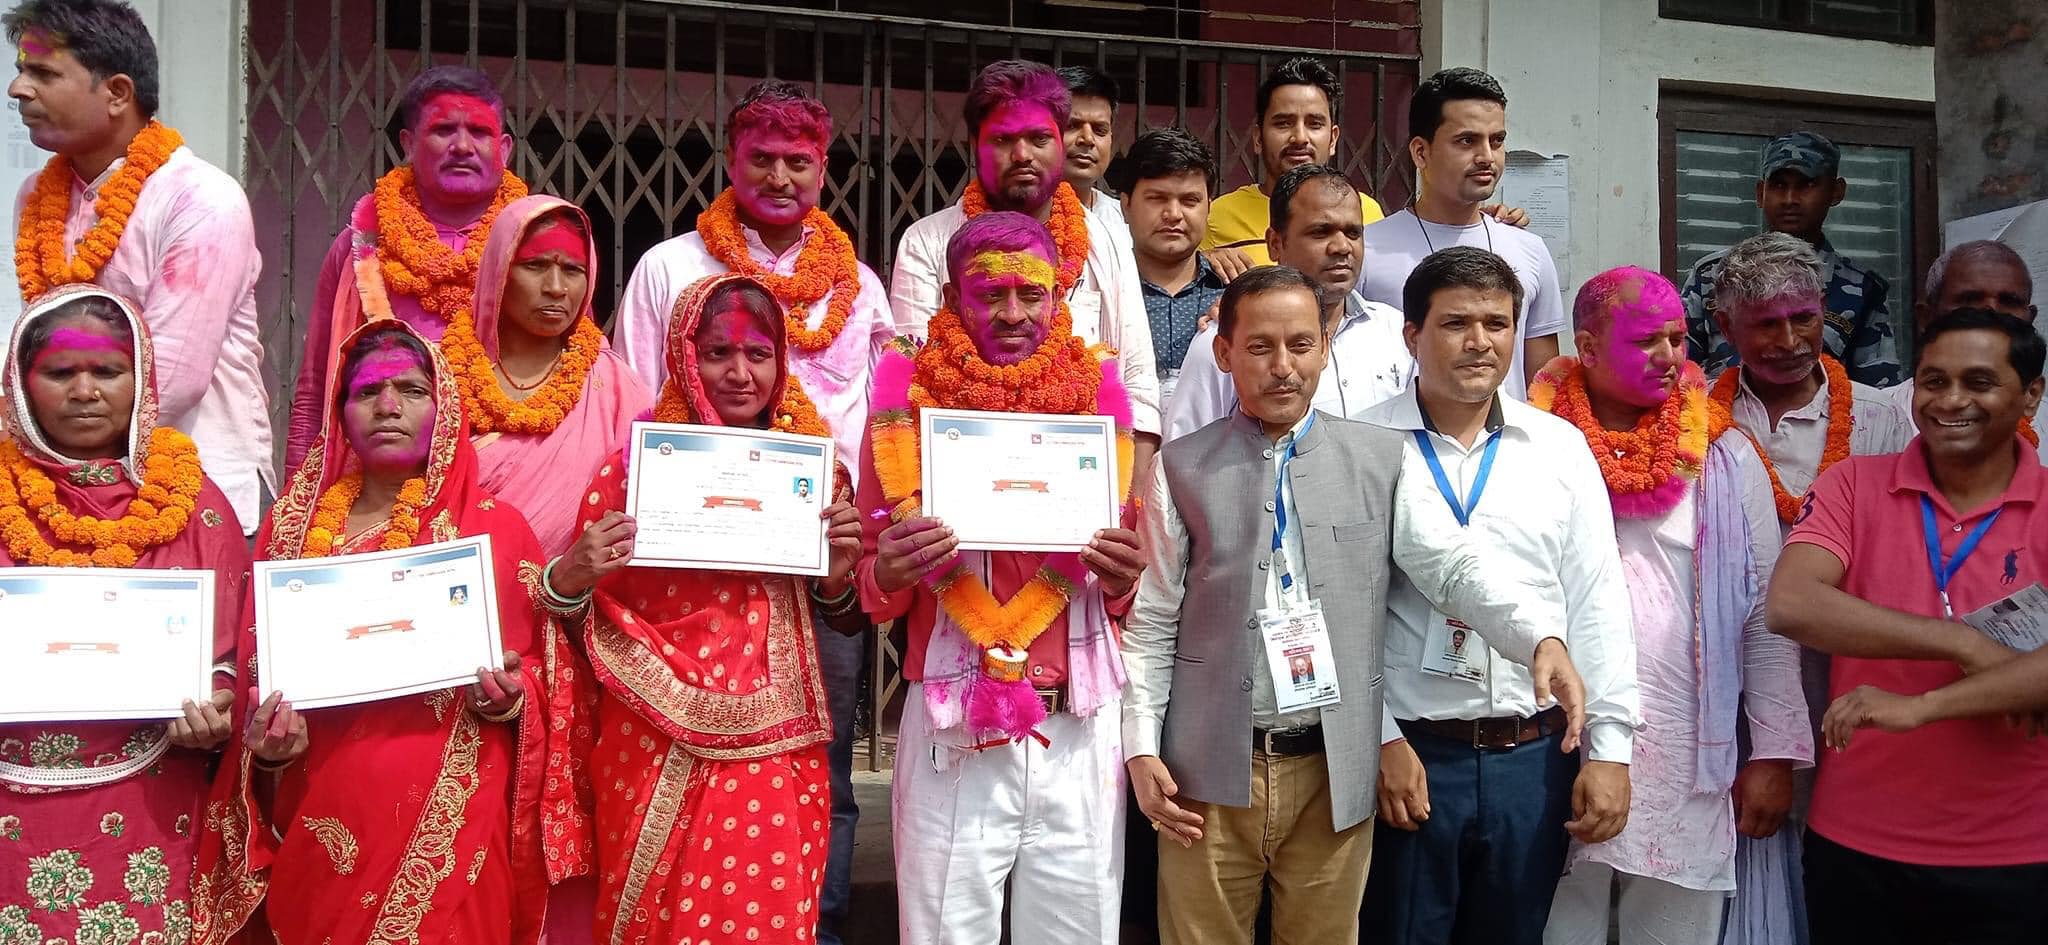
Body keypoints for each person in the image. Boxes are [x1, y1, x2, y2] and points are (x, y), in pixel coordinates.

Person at [1124, 265, 1588, 945]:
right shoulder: (1183, 465)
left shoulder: (1379, 458)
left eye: (1300, 345)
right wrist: (1141, 747)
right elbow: (1153, 621)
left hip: (1332, 774)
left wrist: (1537, 639)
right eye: (1259, 347)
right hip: (1206, 772)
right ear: (1224, 353)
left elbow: (1451, 567)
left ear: (1325, 349)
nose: (1283, 367)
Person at [608, 79, 885, 945]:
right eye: (761, 157)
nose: (779, 175)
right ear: (730, 160)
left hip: (813, 561)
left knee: (822, 766)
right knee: (672, 760)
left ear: (824, 170)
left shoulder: (860, 286)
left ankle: (813, 928)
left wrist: (850, 541)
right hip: (683, 566)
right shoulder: (669, 268)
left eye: (798, 161)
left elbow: (880, 419)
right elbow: (635, 408)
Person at [190, 320, 569, 945]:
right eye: (367, 391)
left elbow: (549, 675)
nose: (388, 406)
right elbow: (258, 679)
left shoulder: (495, 531)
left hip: (454, 821)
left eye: (412, 391)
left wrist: (510, 698)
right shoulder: (291, 532)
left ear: (445, 408)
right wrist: (271, 748)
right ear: (340, 413)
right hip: (323, 810)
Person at [556, 272, 866, 944]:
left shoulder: (817, 476)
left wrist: (837, 581)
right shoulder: (629, 472)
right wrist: (571, 575)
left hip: (774, 740)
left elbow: (842, 615)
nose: (740, 374)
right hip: (649, 730)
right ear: (683, 355)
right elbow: (580, 616)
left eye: (759, 354)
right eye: (718, 352)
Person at [862, 212, 1146, 945]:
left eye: (1031, 293)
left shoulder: (1100, 397)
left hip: (1078, 725)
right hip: (954, 725)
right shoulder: (906, 402)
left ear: (1060, 296)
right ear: (952, 298)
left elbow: (1127, 583)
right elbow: (871, 582)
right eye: (990, 294)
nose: (1013, 313)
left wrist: (1122, 581)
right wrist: (889, 569)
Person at [1356, 247, 1639, 945]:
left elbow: (1596, 598)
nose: (1480, 342)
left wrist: (1608, 750)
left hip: (1531, 760)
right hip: (1412, 756)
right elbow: (1336, 613)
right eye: (1456, 323)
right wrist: (1378, 739)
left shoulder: (1558, 447)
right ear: (1412, 334)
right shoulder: (1359, 443)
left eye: (1497, 323)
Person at [1527, 267, 1811, 945]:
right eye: (1645, 340)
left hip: (1688, 756)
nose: (1668, 356)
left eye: (1678, 339)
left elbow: (1764, 615)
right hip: (1551, 742)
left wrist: (1772, 752)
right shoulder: (1531, 446)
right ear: (1587, 348)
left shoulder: (1725, 455)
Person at [1768, 308, 2048, 944]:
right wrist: (1963, 643)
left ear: (2031, 394)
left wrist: (1920, 708)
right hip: (1858, 845)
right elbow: (1792, 602)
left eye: (1979, 382)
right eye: (1934, 381)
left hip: (2020, 851)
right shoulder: (1854, 484)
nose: (1951, 400)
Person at [0, 286, 249, 944]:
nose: (85, 392)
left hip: (148, 797)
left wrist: (215, 709)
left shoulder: (194, 505)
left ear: (141, 379)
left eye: (107, 371)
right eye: (60, 372)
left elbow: (234, 658)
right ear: (21, 383)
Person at [7, 0, 271, 534]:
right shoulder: (36, 196)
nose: (18, 90)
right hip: (70, 491)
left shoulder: (199, 198)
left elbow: (171, 376)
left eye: (44, 74)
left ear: (117, 93)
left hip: (198, 492)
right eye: (20, 71)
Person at [888, 59, 1161, 470]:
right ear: (974, 144)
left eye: (1039, 138)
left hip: (1082, 474)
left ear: (1060, 143)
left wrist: (1128, 495)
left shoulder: (1103, 239)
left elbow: (1136, 379)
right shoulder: (928, 242)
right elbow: (910, 373)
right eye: (1002, 139)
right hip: (958, 468)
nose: (1022, 155)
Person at [287, 65, 527, 470]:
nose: (463, 146)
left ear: (504, 149)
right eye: (443, 130)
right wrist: (298, 489)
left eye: (479, 132)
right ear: (408, 143)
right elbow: (316, 387)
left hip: (512, 477)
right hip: (379, 481)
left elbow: (581, 377)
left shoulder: (537, 247)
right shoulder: (359, 246)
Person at [443, 194, 652, 556]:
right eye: (535, 265)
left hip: (584, 588)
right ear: (499, 270)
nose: (556, 287)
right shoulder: (438, 372)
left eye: (573, 270)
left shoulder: (616, 386)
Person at [1357, 68, 1562, 400]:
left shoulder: (1530, 249)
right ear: (1421, 152)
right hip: (1395, 430)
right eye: (1467, 141)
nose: (1486, 157)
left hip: (1507, 433)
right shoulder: (1367, 250)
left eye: (1497, 141)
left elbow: (1543, 387)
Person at [1167, 164, 1411, 441]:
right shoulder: (1226, 341)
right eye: (1321, 232)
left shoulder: (1396, 332)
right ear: (1275, 243)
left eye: (1353, 233)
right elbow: (1186, 451)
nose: (1342, 247)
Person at [1682, 131, 1902, 388]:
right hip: (1720, 409)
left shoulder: (1862, 289)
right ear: (1760, 193)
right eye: (1778, 185)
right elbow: (1679, 368)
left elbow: (1879, 388)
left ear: (1836, 191)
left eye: (1806, 185)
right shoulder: (1712, 274)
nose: (1790, 200)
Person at [1200, 57, 1383, 277]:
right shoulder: (1219, 217)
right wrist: (1201, 262)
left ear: (1333, 139)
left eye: (1314, 124)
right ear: (1258, 138)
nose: (1300, 138)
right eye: (1283, 123)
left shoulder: (1368, 214)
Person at [1885, 241, 2041, 456]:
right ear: (1926, 317)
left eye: (2009, 301)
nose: (1990, 313)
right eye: (1970, 299)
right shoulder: (1874, 419)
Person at [1120, 127, 1226, 403]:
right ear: (1125, 206)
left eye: (1189, 201)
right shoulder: (1102, 291)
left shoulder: (1233, 294)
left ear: (1209, 208)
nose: (1173, 214)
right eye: (1157, 198)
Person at [1058, 65, 1126, 237]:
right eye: (1071, 126)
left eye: (1099, 130)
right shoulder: (1017, 219)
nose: (1087, 139)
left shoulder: (1126, 222)